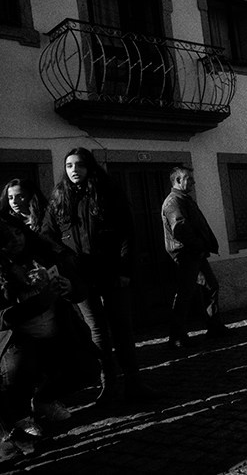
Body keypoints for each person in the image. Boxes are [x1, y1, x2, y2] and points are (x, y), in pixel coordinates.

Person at [41, 148, 156, 404]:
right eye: (69, 165)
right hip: (80, 277)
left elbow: (127, 234)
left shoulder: (108, 194)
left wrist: (125, 270)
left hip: (111, 273)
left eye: (79, 165)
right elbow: (46, 235)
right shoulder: (59, 199)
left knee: (122, 327)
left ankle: (134, 382)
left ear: (89, 167)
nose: (74, 170)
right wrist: (66, 256)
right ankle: (109, 384)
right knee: (97, 331)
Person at [0, 216, 97, 460]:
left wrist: (69, 288)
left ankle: (44, 399)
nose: (15, 241)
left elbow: (80, 288)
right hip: (18, 341)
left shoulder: (43, 254)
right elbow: (3, 317)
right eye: (7, 237)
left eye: (18, 233)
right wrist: (40, 301)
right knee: (18, 370)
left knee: (87, 367)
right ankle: (19, 419)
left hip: (57, 332)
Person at [161, 166, 229, 349]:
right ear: (177, 181)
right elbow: (181, 229)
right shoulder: (174, 202)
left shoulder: (184, 199)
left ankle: (214, 326)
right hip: (186, 254)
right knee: (185, 293)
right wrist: (198, 245)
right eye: (189, 179)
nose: (193, 182)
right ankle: (177, 336)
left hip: (194, 252)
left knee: (210, 286)